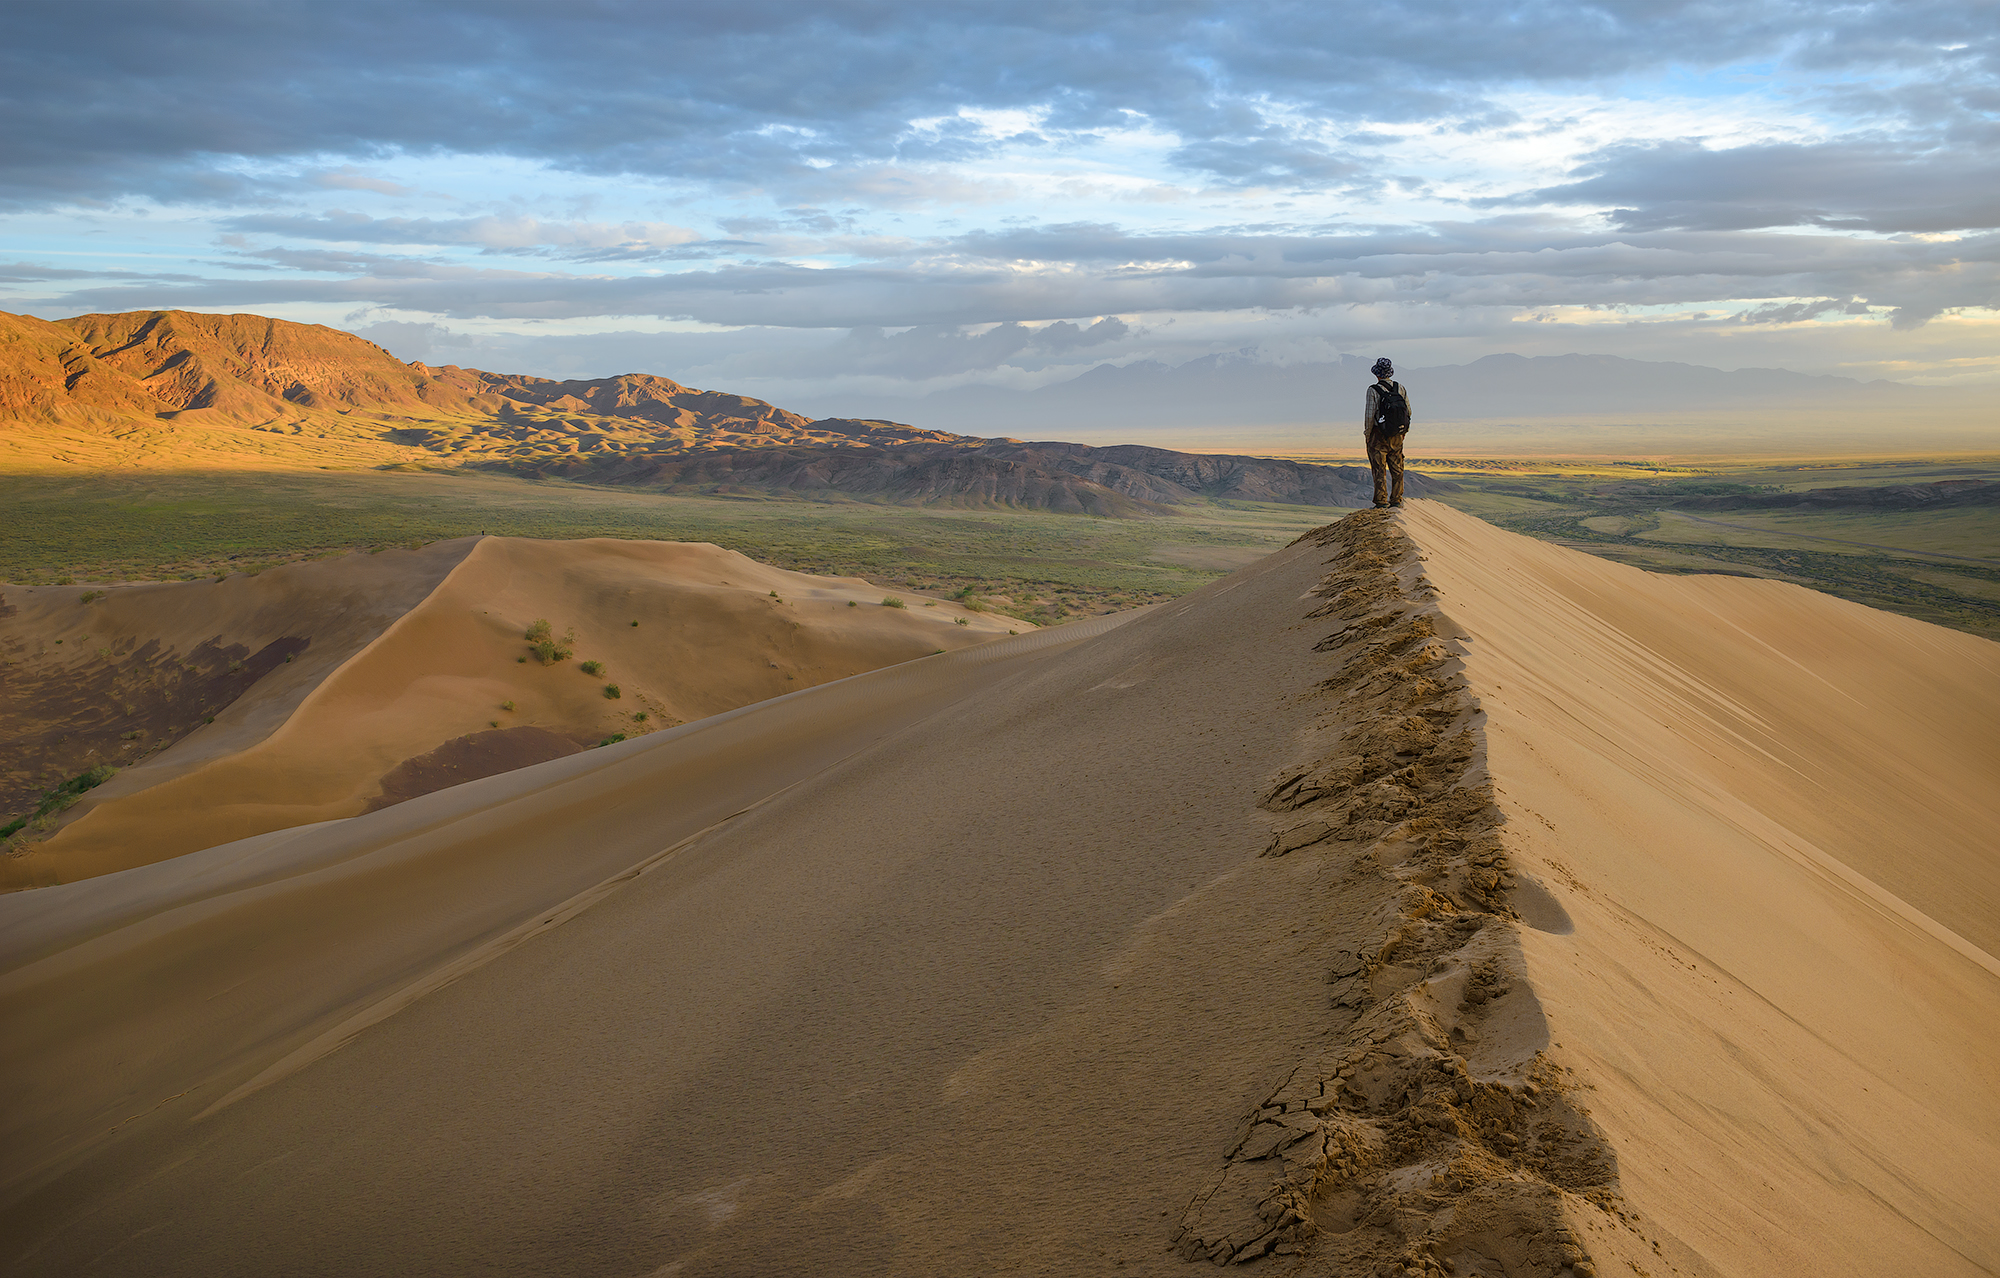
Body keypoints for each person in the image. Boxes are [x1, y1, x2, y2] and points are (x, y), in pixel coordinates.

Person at [1363, 357, 1411, 508]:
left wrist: (1368, 435)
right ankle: (1396, 499)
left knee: (1379, 469)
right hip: (1397, 436)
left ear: (1377, 374)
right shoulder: (1400, 388)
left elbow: (1370, 415)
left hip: (1379, 436)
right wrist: (1404, 432)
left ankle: (1381, 501)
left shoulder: (1373, 390)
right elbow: (1408, 411)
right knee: (1397, 468)